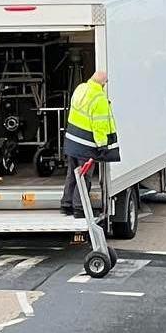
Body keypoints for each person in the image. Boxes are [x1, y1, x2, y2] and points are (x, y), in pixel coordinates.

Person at [60, 69, 118, 220]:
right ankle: (79, 208)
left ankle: (66, 205)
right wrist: (103, 146)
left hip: (71, 141)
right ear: (103, 84)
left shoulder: (80, 89)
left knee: (72, 174)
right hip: (85, 145)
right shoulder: (99, 99)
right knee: (84, 176)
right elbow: (99, 126)